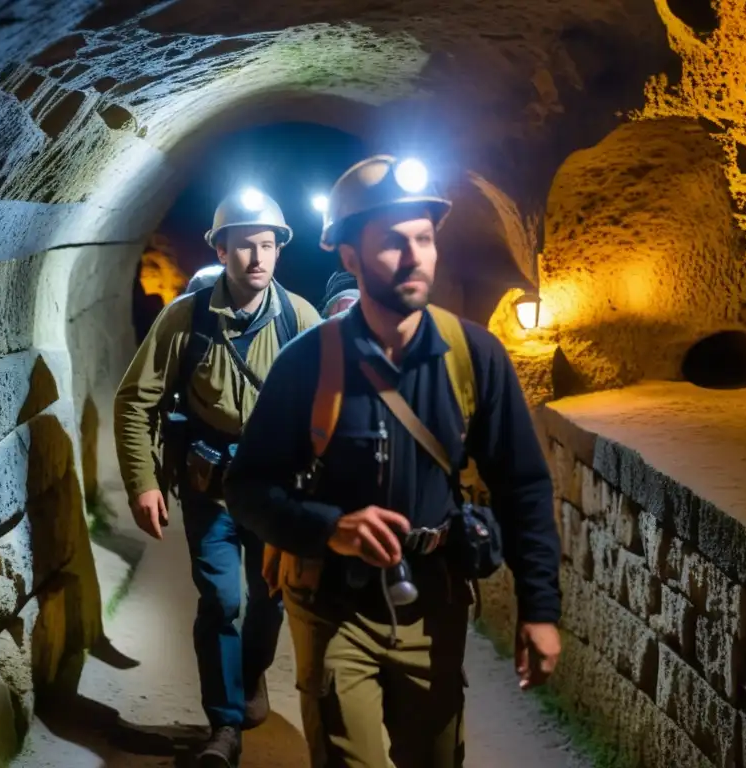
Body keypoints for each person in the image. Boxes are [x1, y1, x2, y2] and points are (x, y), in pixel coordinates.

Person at [223, 156, 562, 767]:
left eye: (424, 239)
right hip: (332, 606)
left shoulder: (473, 356)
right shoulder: (306, 363)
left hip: (435, 599)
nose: (413, 256)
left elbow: (523, 486)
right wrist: (331, 528)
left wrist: (540, 610)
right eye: (391, 243)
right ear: (348, 255)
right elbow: (248, 488)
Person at [114, 188, 321, 767]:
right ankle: (224, 725)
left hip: (277, 490)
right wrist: (143, 483)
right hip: (212, 487)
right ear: (221, 250)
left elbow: (328, 413)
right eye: (243, 246)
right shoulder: (186, 318)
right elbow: (135, 400)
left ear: (279, 250)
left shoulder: (301, 318)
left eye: (266, 245)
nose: (256, 257)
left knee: (270, 596)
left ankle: (250, 673)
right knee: (220, 599)